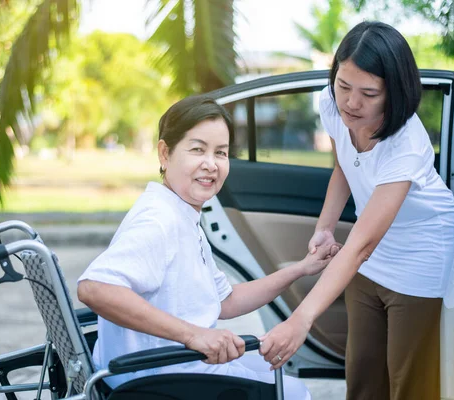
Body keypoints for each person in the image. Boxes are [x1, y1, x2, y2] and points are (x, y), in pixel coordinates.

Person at [77, 95, 338, 398]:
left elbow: (226, 302)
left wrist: (301, 269)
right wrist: (194, 335)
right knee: (293, 393)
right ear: (165, 153)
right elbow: (94, 288)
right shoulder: (159, 220)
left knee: (278, 374)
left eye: (221, 153)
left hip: (171, 367)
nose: (211, 165)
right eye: (198, 150)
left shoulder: (182, 213)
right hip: (156, 378)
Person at [258, 21, 454, 400]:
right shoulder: (331, 106)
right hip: (369, 254)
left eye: (369, 93)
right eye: (344, 86)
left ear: (394, 93)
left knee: (410, 383)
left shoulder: (406, 144)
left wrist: (300, 320)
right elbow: (343, 168)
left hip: (422, 255)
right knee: (363, 376)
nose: (351, 103)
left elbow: (359, 246)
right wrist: (325, 227)